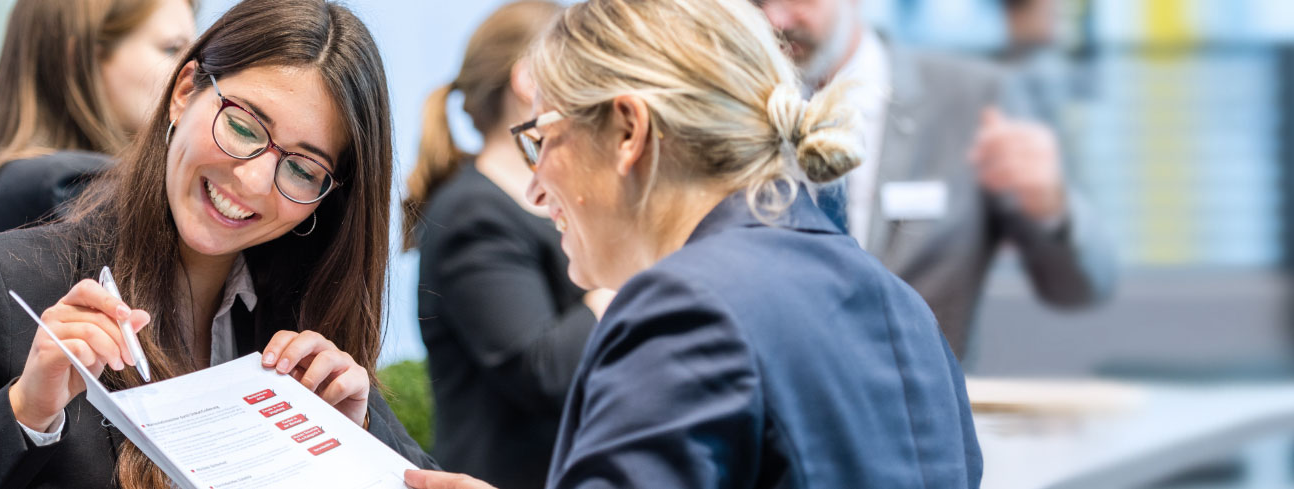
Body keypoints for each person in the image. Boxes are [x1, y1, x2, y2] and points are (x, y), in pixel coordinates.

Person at [0, 1, 436, 488]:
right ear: (185, 91)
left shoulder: (307, 336)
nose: (254, 180)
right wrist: (23, 414)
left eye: (304, 169)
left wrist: (348, 457)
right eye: (242, 127)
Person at [404, 0, 980, 487]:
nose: (534, 187)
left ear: (629, 131)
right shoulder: (901, 307)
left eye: (544, 139)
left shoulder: (688, 309)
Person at [756, 0, 1115, 355]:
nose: (776, 18)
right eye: (755, 2)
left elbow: (1081, 288)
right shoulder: (734, 113)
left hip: (926, 403)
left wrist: (1053, 210)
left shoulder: (974, 98)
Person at [400, 3, 604, 488]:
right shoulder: (471, 214)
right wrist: (624, 282)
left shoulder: (537, 206)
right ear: (529, 79)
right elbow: (542, 370)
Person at [0, 0, 196, 245]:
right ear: (81, 60)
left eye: (195, 55)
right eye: (172, 49)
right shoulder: (64, 190)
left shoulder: (17, 186)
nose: (193, 75)